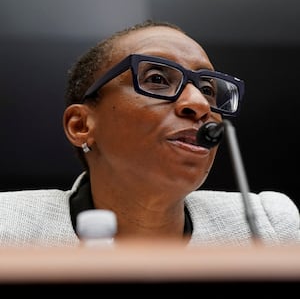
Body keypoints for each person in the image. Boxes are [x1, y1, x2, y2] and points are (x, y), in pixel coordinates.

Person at [0, 19, 299, 248]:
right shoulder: (9, 227)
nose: (198, 103)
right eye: (157, 79)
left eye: (207, 90)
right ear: (81, 125)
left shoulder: (269, 225)